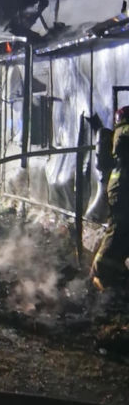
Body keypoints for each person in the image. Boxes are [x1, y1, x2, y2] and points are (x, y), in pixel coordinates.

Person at [90, 106, 129, 291]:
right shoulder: (125, 131)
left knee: (122, 230)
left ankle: (115, 274)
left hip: (121, 186)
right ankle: (98, 274)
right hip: (123, 187)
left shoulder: (120, 131)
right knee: (117, 229)